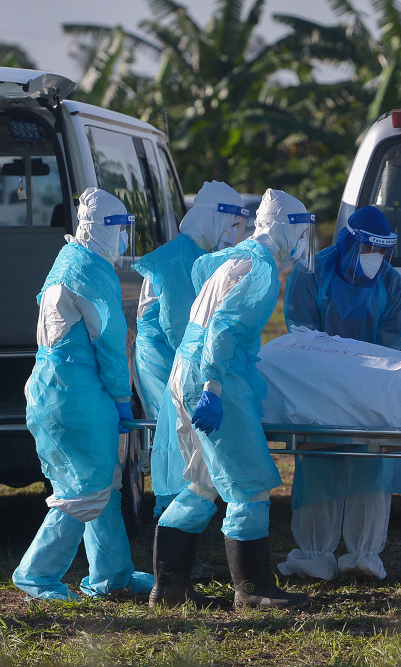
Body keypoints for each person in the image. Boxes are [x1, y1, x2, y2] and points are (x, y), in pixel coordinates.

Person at [149, 189, 315, 609]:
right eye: (298, 229)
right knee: (249, 483)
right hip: (215, 378)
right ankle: (253, 590)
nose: (301, 239)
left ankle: (169, 588)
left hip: (187, 371)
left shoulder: (237, 256)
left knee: (202, 483)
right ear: (282, 227)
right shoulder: (258, 269)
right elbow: (222, 330)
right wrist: (213, 388)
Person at [13, 187, 154, 601]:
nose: (126, 238)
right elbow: (110, 343)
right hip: (76, 395)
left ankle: (112, 576)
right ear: (108, 229)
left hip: (53, 390)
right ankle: (36, 576)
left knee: (101, 484)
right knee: (84, 492)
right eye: (123, 228)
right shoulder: (92, 269)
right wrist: (121, 396)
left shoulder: (68, 260)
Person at [278, 205, 401, 581]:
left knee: (370, 467)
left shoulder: (390, 282)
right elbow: (301, 332)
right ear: (349, 243)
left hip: (369, 389)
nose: (375, 260)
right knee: (320, 467)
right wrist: (334, 368)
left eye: (382, 251)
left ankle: (363, 555)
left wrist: (364, 375)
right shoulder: (312, 272)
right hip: (318, 389)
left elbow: (391, 339)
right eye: (368, 250)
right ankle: (314, 555)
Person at [132, 181, 248, 522]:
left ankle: (180, 526)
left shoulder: (201, 255)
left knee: (186, 440)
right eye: (231, 225)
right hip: (165, 357)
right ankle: (171, 523)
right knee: (176, 441)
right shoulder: (176, 258)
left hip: (183, 355)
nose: (234, 233)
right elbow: (180, 325)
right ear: (212, 219)